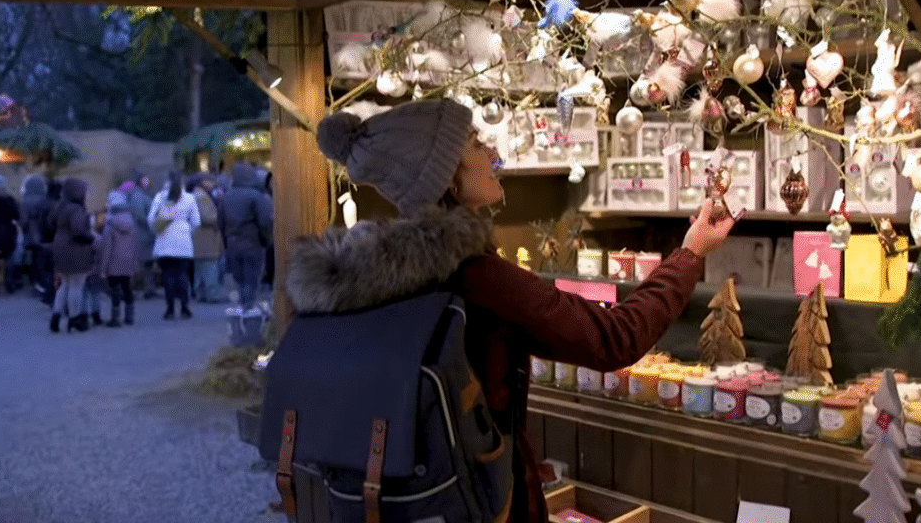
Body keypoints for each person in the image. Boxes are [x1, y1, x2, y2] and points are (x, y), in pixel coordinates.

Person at [290, 100, 735, 522]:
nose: (493, 151)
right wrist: (691, 253)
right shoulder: (478, 277)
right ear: (446, 177)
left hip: (400, 501)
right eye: (475, 143)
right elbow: (614, 337)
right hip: (485, 503)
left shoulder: (363, 283)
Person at [219, 162, 273, 311]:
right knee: (252, 279)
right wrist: (266, 240)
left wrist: (226, 243)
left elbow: (221, 223)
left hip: (233, 243)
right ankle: (248, 310)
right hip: (252, 243)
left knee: (240, 279)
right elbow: (265, 222)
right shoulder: (256, 196)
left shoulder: (227, 197)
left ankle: (242, 306)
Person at [147, 171, 200, 320]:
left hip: (164, 240)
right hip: (183, 242)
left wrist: (157, 230)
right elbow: (196, 221)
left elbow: (151, 218)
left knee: (168, 275)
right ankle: (184, 307)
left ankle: (170, 309)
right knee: (182, 275)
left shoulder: (160, 197)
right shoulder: (189, 198)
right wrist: (187, 231)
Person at [49, 178, 94, 333]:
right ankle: (74, 318)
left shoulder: (60, 207)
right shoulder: (76, 209)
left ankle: (56, 316)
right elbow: (79, 231)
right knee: (76, 285)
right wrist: (91, 237)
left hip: (60, 246)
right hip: (74, 249)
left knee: (64, 284)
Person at [100, 191, 139, 327]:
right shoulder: (132, 225)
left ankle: (115, 318)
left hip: (113, 264)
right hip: (128, 263)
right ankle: (130, 317)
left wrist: (103, 269)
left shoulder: (110, 226)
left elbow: (107, 249)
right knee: (127, 288)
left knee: (115, 290)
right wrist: (135, 264)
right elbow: (135, 246)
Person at [187, 173, 225, 303]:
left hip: (199, 238)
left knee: (200, 268)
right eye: (210, 181)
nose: (212, 184)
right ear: (202, 182)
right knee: (209, 267)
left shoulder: (195, 195)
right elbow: (207, 217)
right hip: (206, 238)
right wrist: (219, 219)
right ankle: (211, 295)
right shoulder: (201, 197)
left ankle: (201, 293)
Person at [126, 172, 157, 299]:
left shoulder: (143, 195)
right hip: (141, 234)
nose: (148, 181)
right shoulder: (138, 196)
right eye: (145, 179)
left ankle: (149, 288)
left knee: (147, 264)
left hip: (145, 234)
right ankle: (129, 290)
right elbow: (139, 215)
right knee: (139, 263)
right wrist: (152, 225)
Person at [20, 175, 48, 295]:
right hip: (42, 234)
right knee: (41, 260)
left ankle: (35, 283)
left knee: (33, 259)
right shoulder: (44, 200)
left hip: (30, 234)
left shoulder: (24, 201)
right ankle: (41, 283)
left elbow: (23, 221)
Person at [36, 181, 62, 305]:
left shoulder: (43, 203)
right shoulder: (58, 205)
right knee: (55, 270)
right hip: (55, 241)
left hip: (44, 241)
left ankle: (47, 294)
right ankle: (53, 295)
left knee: (47, 270)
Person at [82, 215, 104, 327]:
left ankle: (83, 315)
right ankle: (96, 315)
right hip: (96, 271)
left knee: (83, 293)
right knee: (95, 294)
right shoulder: (99, 239)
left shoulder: (80, 239)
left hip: (83, 271)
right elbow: (101, 256)